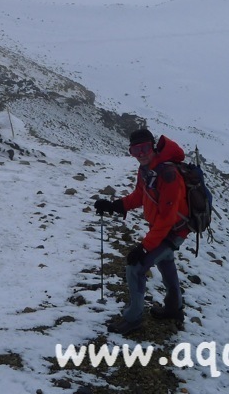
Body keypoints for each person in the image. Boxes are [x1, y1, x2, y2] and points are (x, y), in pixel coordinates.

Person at [94, 128, 190, 335]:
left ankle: (133, 318)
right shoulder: (146, 170)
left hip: (173, 232)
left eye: (145, 148)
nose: (141, 154)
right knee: (166, 261)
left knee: (135, 267)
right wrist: (114, 206)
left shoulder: (168, 174)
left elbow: (167, 218)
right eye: (135, 150)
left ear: (153, 147)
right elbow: (140, 195)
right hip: (164, 230)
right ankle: (174, 309)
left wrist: (144, 248)